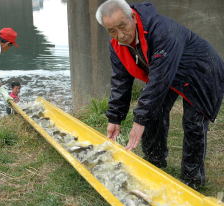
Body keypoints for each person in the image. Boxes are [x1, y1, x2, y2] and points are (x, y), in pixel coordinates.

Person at [96, 0, 224, 189]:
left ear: (132, 17)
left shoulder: (162, 30)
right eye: (112, 31)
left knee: (193, 124)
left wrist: (139, 121)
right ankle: (154, 163)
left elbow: (158, 81)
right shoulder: (117, 44)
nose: (120, 35)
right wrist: (114, 117)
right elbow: (121, 81)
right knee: (153, 114)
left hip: (202, 70)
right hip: (168, 72)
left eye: (122, 27)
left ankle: (192, 181)